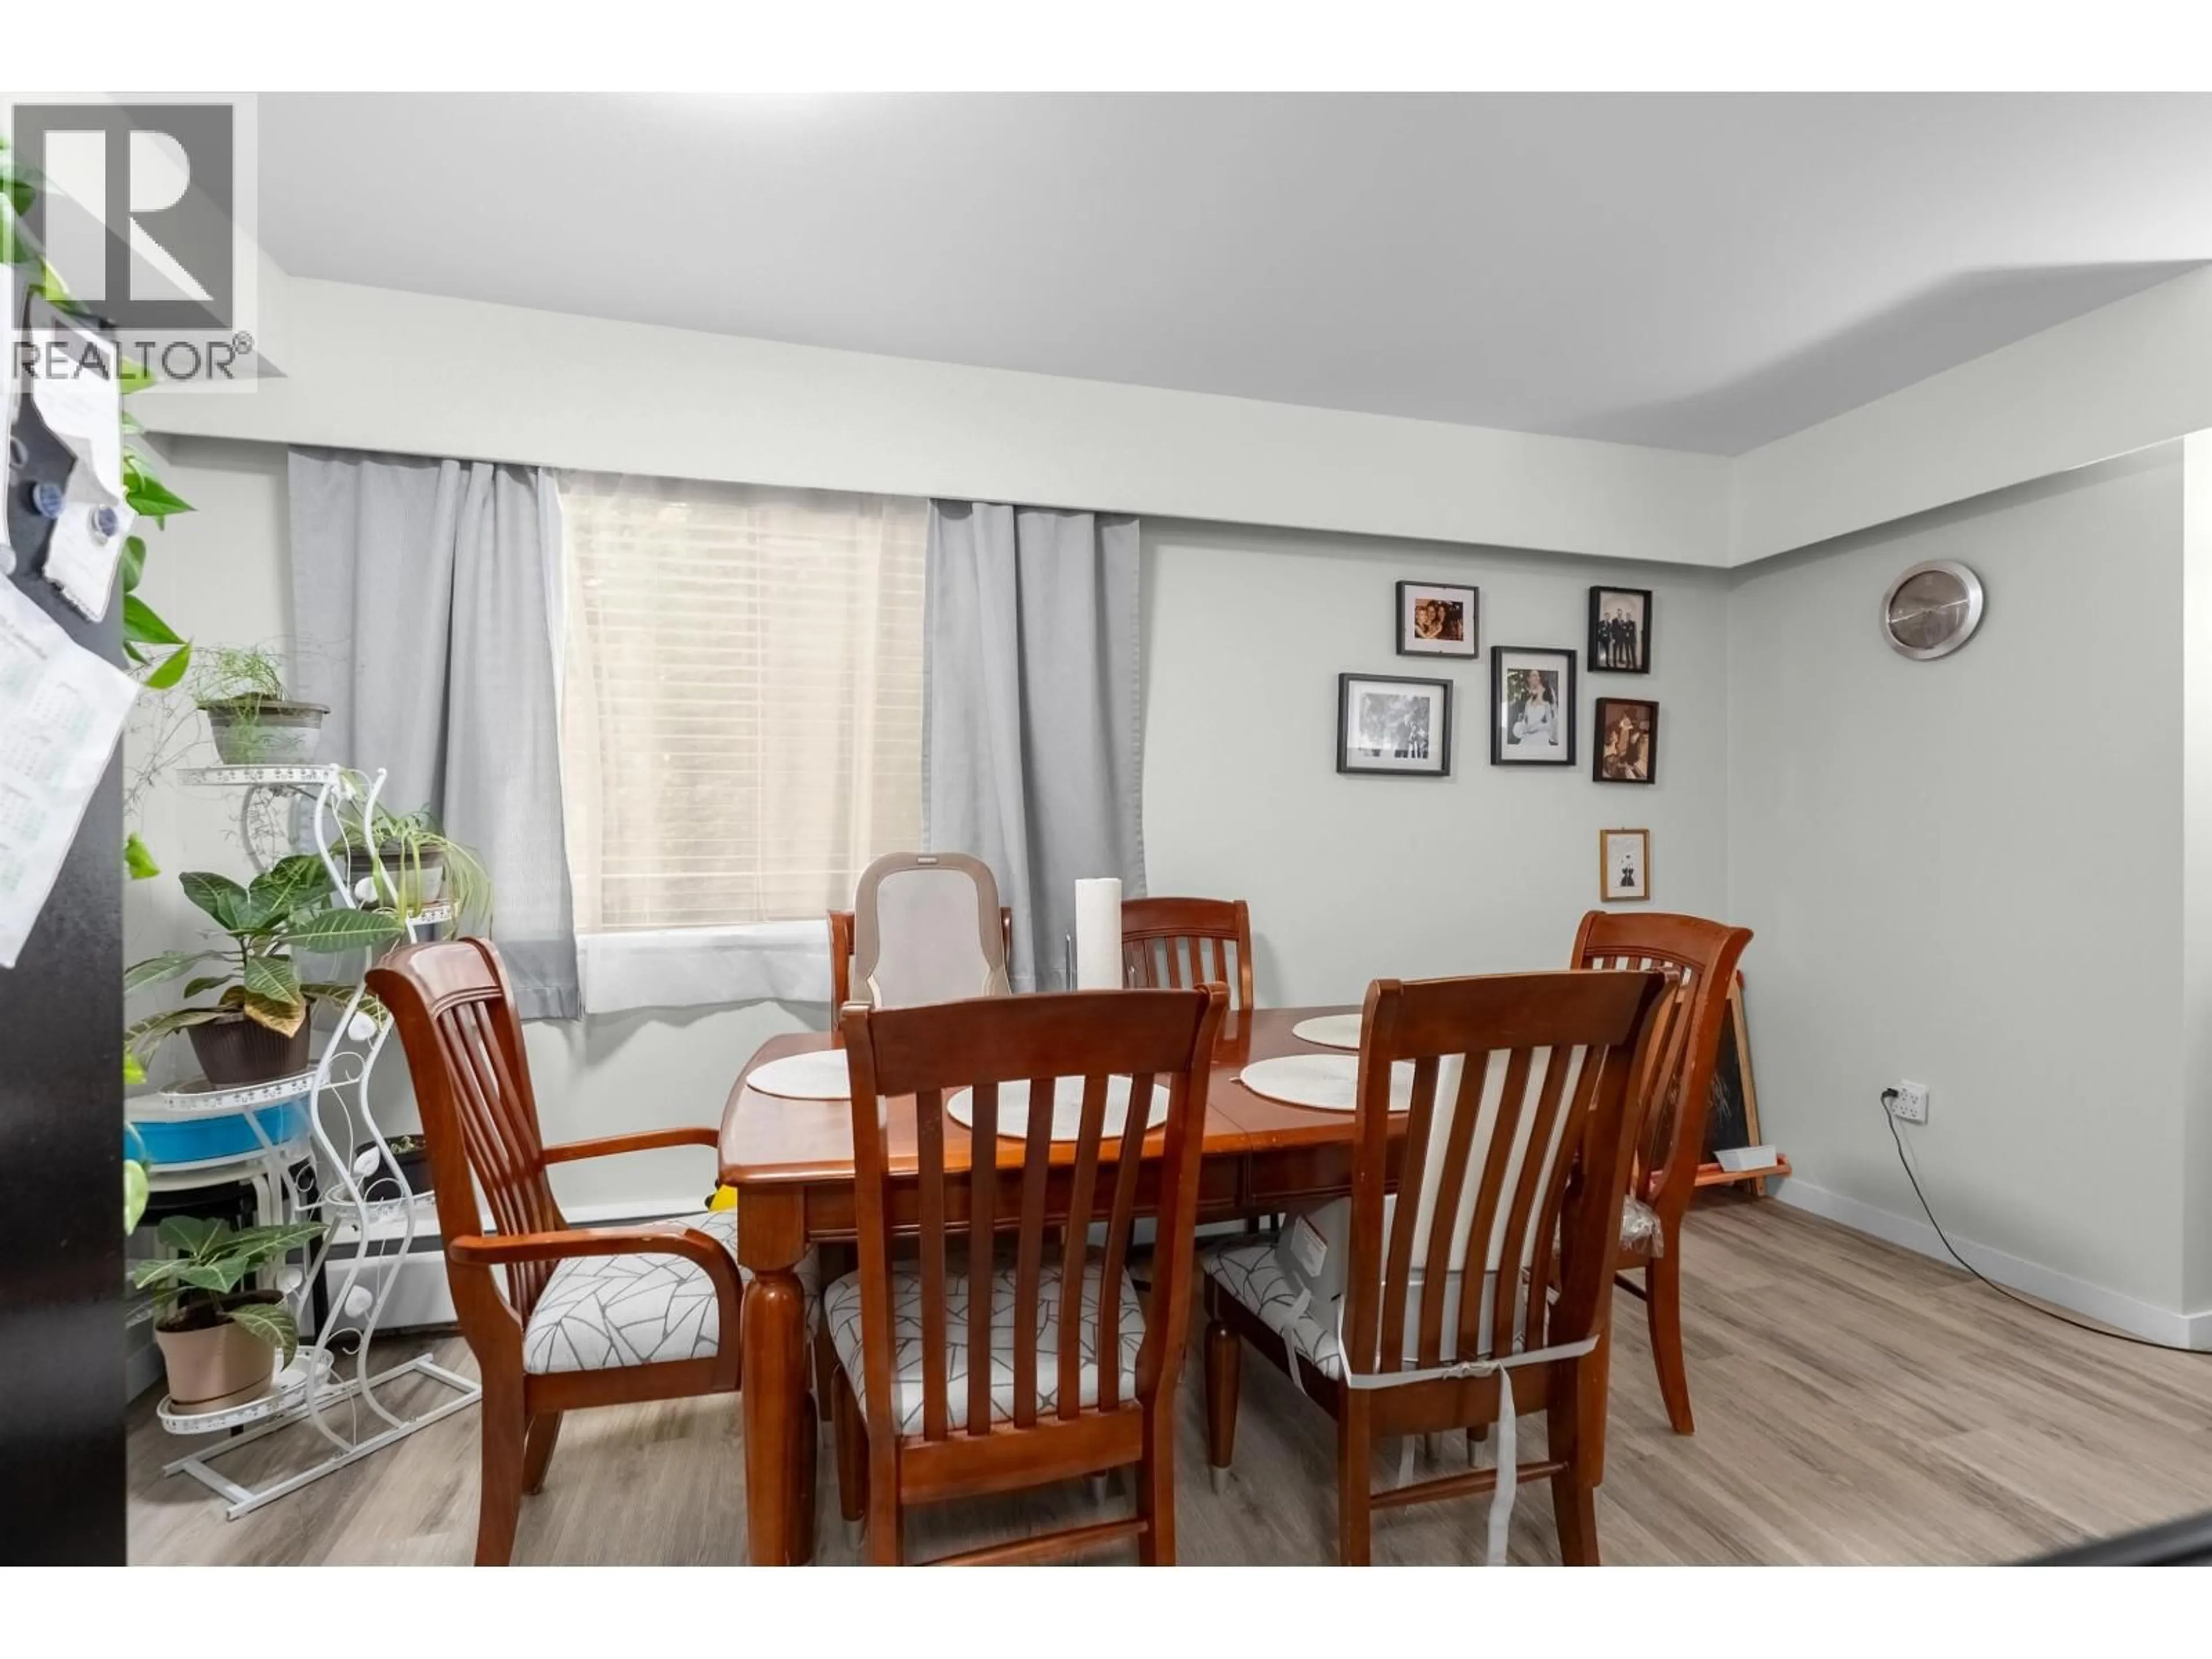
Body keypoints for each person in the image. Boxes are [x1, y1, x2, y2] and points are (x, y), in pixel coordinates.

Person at [1512, 672, 1557, 748]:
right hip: (1527, 735)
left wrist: (1536, 728)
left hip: (1541, 737)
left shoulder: (1546, 705)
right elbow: (1525, 721)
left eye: (1540, 687)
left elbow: (1550, 725)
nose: (1538, 688)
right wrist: (1525, 727)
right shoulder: (1529, 703)